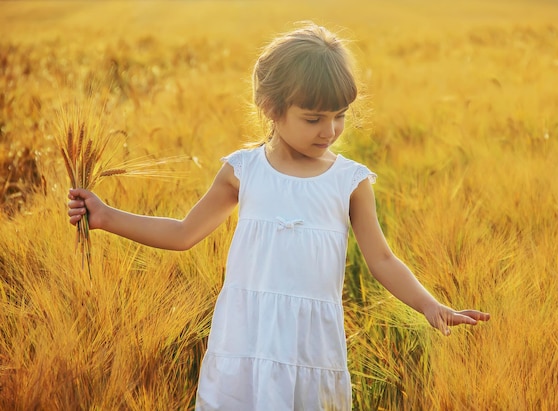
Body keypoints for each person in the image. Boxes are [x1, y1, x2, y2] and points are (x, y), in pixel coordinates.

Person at [67, 22, 490, 411]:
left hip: (311, 349)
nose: (330, 131)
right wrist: (106, 216)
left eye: (339, 116)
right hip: (244, 343)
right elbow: (183, 233)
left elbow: (382, 260)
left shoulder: (350, 182)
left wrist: (429, 305)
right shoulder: (243, 170)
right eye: (313, 118)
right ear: (271, 107)